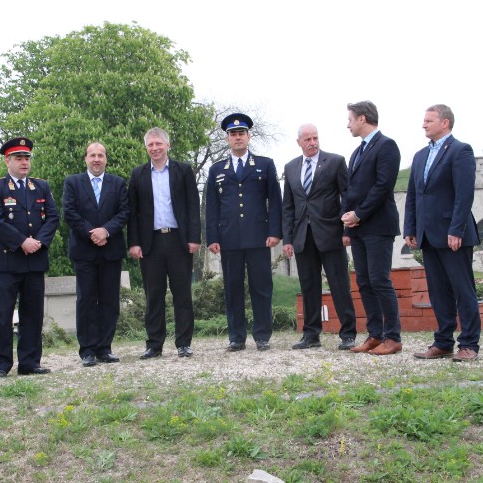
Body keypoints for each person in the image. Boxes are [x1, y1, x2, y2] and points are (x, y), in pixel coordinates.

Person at [405, 105, 482, 362]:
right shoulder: (420, 156)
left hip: (453, 235)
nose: (424, 125)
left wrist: (456, 229)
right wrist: (410, 228)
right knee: (438, 292)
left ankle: (469, 344)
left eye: (429, 120)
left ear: (445, 123)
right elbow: (414, 195)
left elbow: (464, 194)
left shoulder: (460, 151)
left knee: (462, 290)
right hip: (428, 235)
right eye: (424, 120)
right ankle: (443, 342)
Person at [206, 113, 282, 352]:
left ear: (249, 136)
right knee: (233, 288)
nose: (237, 137)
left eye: (241, 133)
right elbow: (211, 206)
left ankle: (262, 336)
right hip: (229, 239)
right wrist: (212, 237)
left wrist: (275, 232)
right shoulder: (216, 169)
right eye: (233, 134)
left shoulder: (264, 164)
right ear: (227, 139)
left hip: (259, 237)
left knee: (261, 287)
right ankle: (236, 337)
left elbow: (275, 201)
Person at [0, 137, 60, 377]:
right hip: (8, 261)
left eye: (27, 158)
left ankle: (29, 363)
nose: (24, 162)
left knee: (33, 314)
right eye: (19, 158)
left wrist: (39, 242)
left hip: (34, 260)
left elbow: (53, 217)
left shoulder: (40, 187)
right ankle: (0, 364)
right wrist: (21, 242)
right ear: (7, 161)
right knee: (2, 314)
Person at [128, 128, 201, 359]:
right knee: (154, 295)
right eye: (150, 144)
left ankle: (184, 343)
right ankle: (154, 345)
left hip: (179, 240)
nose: (155, 148)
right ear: (146, 148)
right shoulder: (138, 174)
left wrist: (194, 238)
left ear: (167, 145)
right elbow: (133, 212)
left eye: (158, 144)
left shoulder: (183, 171)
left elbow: (193, 205)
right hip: (150, 243)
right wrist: (134, 242)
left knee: (182, 294)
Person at [283, 123, 357, 351]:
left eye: (315, 138)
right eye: (308, 139)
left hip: (331, 234)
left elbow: (347, 197)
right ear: (299, 142)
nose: (313, 142)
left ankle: (348, 334)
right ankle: (311, 334)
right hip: (302, 236)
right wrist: (288, 239)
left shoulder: (335, 162)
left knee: (339, 284)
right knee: (309, 286)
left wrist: (346, 230)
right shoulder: (291, 167)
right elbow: (288, 206)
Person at [341, 101, 402, 356]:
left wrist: (359, 214)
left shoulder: (387, 146)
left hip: (378, 226)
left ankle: (393, 337)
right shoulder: (357, 152)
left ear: (363, 119)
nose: (348, 124)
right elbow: (350, 190)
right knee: (364, 281)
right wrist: (347, 223)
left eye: (350, 119)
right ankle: (375, 335)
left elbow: (383, 186)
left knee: (379, 280)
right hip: (358, 229)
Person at [63, 142, 129, 367]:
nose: (97, 159)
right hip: (84, 251)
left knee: (110, 301)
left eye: (101, 155)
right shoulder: (73, 182)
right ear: (86, 159)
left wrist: (106, 231)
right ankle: (88, 350)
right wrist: (92, 233)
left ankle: (104, 348)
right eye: (92, 155)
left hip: (111, 250)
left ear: (106, 159)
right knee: (86, 300)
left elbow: (124, 212)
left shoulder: (118, 183)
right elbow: (70, 213)